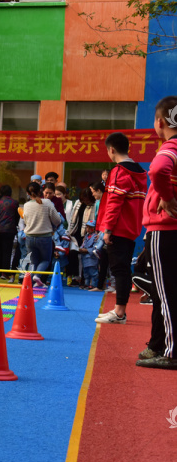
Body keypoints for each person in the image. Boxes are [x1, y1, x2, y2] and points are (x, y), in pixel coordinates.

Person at [136, 96, 177, 369]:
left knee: (165, 292)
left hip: (165, 227)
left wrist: (166, 194)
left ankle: (170, 351)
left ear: (160, 122)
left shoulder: (170, 147)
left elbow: (158, 169)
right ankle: (159, 344)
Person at [92, 132, 148, 323]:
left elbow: (115, 202)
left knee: (120, 270)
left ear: (111, 149)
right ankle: (119, 311)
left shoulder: (120, 171)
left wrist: (107, 229)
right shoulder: (139, 171)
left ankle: (119, 312)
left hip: (118, 228)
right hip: (131, 227)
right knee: (121, 269)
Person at [23, 181, 62, 287]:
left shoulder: (26, 205)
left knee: (34, 261)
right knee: (46, 259)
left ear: (27, 193)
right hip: (44, 237)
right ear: (40, 191)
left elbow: (26, 221)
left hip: (30, 237)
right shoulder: (48, 203)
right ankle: (37, 276)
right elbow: (57, 220)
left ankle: (31, 284)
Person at [0, 185, 20, 281]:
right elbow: (17, 216)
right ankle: (5, 272)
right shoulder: (14, 203)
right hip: (9, 229)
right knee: (7, 251)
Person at [79, 220, 104, 290]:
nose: (88, 229)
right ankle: (86, 283)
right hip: (84, 257)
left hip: (91, 257)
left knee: (93, 271)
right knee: (86, 272)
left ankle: (93, 284)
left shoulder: (96, 237)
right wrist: (81, 248)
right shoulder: (86, 237)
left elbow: (96, 247)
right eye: (87, 227)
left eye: (90, 227)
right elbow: (83, 244)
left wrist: (87, 250)